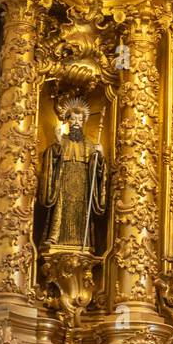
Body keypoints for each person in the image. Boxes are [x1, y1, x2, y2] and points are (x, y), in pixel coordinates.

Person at [37, 97, 107, 251]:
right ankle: (54, 237)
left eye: (79, 120)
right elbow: (51, 159)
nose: (76, 122)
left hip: (83, 184)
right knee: (60, 209)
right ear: (67, 121)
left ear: (83, 122)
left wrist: (99, 156)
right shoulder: (62, 140)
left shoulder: (89, 145)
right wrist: (56, 144)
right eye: (73, 119)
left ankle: (84, 241)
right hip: (64, 181)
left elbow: (97, 170)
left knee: (82, 212)